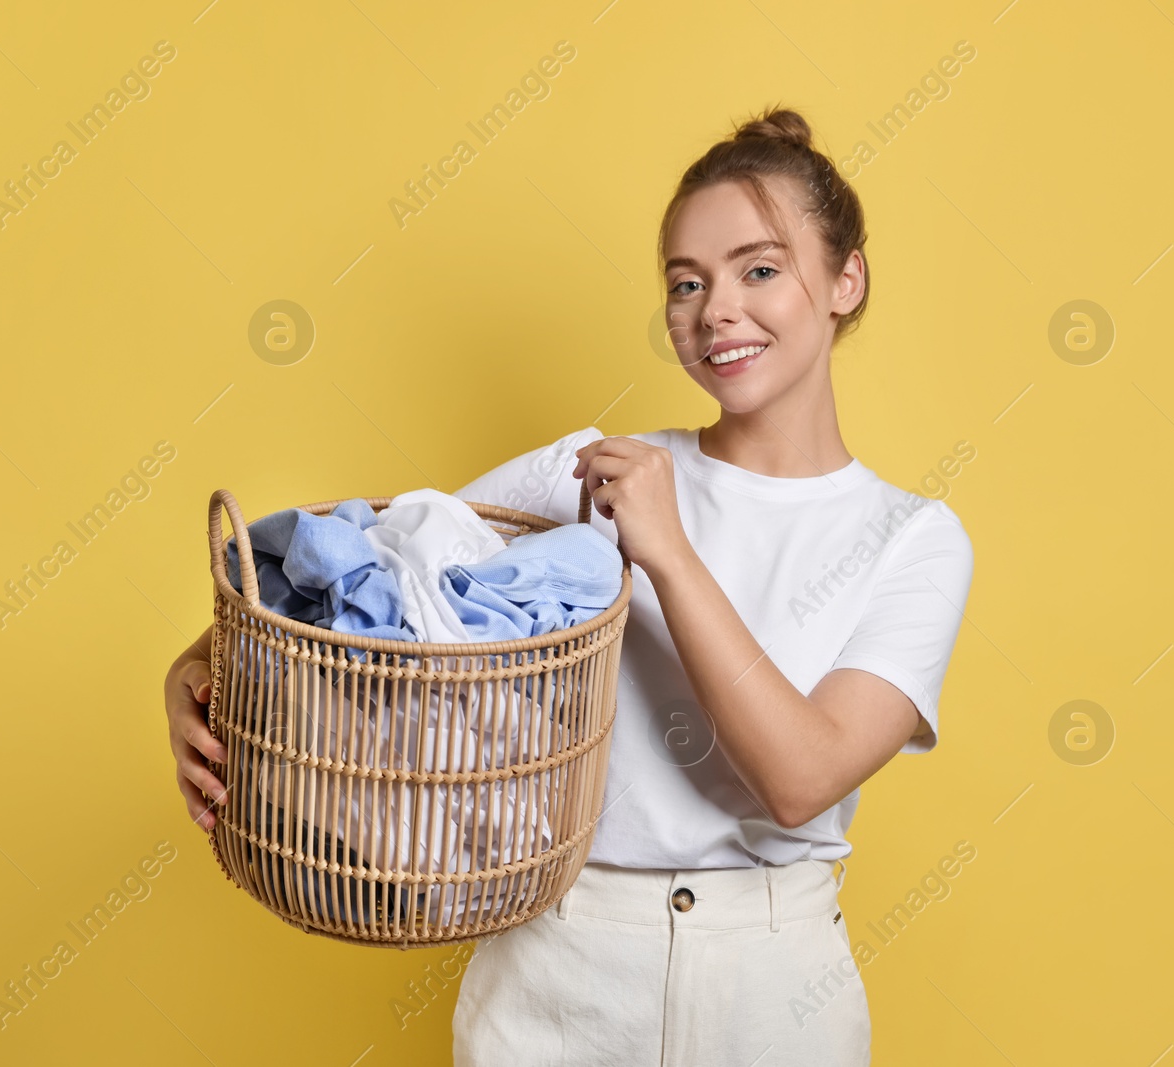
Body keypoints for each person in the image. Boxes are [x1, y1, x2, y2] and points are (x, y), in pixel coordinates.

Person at [163, 104, 974, 1065]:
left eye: (759, 269)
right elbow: (373, 581)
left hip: (772, 990)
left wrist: (668, 553)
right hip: (556, 965)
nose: (715, 309)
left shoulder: (912, 538)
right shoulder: (590, 472)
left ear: (847, 280)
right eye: (687, 282)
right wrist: (191, 667)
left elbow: (801, 780)